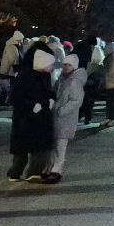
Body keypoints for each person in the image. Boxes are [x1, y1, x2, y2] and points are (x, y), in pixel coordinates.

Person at [8, 44, 56, 182]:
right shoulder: (25, 76)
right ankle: (15, 172)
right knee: (22, 148)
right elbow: (16, 97)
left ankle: (34, 172)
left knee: (39, 147)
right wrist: (31, 106)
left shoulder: (45, 76)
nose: (52, 68)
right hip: (25, 118)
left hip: (41, 118)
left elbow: (47, 93)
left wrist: (50, 100)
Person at [45, 52, 85, 183]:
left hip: (66, 119)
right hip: (56, 117)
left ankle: (56, 170)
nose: (66, 67)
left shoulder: (74, 82)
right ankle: (50, 169)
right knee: (54, 145)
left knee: (60, 146)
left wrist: (61, 110)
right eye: (64, 64)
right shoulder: (62, 79)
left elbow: (76, 101)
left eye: (69, 64)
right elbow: (55, 93)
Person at [0, 32, 23, 107]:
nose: (22, 41)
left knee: (6, 87)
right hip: (10, 70)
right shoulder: (12, 47)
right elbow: (12, 59)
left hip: (7, 69)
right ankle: (8, 101)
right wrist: (16, 68)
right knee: (10, 87)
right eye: (21, 39)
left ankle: (2, 101)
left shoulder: (10, 46)